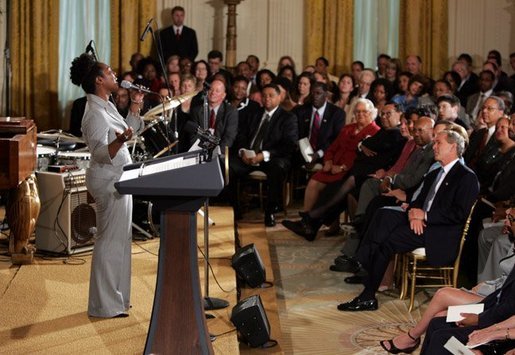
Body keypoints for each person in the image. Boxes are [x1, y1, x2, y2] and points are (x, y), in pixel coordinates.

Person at [338, 129, 479, 313]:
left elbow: (458, 214)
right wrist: (414, 212)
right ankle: (362, 260)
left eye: (438, 143)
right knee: (383, 214)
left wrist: (424, 216)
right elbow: (419, 200)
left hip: (439, 231)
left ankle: (368, 295)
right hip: (421, 221)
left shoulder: (466, 177)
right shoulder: (437, 172)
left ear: (453, 147)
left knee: (388, 241)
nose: (434, 147)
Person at [378, 207, 515, 354]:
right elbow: (504, 291)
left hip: (499, 313)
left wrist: (485, 325)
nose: (505, 221)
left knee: (441, 329)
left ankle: (412, 337)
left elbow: (507, 307)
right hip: (495, 303)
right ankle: (413, 338)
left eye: (510, 219)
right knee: (436, 321)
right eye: (507, 216)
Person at [69, 53, 145, 318]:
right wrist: (120, 140)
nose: (116, 75)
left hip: (119, 176)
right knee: (109, 242)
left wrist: (134, 108)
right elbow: (100, 152)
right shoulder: (93, 113)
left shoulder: (107, 105)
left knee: (120, 241)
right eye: (110, 72)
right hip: (108, 180)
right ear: (99, 80)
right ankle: (103, 305)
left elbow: (129, 132)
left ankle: (118, 299)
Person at [230, 84, 298, 226]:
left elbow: (289, 144)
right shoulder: (254, 113)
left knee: (277, 168)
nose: (267, 99)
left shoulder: (288, 117)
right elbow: (241, 135)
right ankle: (235, 208)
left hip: (272, 158)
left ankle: (270, 211)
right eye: (264, 95)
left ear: (279, 97)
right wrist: (242, 151)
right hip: (249, 156)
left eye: (271, 95)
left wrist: (264, 154)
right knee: (230, 166)